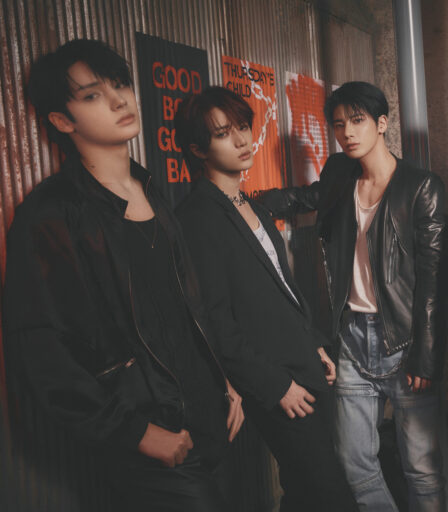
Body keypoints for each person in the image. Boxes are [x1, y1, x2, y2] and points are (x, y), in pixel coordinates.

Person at [2, 39, 244, 511]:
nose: (119, 100)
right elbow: (41, 349)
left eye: (120, 85)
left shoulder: (151, 189)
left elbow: (186, 304)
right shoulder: (50, 214)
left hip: (209, 416)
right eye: (93, 94)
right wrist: (134, 433)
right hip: (149, 434)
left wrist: (225, 382)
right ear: (62, 120)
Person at [258, 81, 448, 511]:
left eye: (357, 120)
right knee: (354, 463)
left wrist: (426, 355)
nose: (347, 132)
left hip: (404, 340)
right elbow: (306, 197)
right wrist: (247, 203)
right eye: (338, 124)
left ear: (382, 123)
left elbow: (435, 280)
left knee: (422, 468)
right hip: (352, 338)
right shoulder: (339, 174)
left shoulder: (421, 187)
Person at [174, 86, 358, 511]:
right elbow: (216, 322)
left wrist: (314, 343)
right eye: (223, 133)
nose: (242, 140)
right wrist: (276, 387)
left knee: (305, 491)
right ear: (198, 149)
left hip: (303, 364)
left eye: (243, 126)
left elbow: (283, 289)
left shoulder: (250, 205)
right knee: (331, 495)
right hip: (277, 382)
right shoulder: (197, 218)